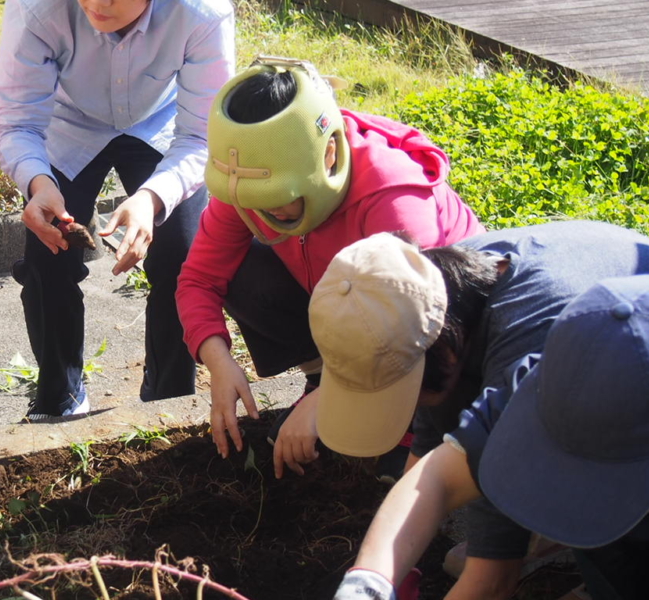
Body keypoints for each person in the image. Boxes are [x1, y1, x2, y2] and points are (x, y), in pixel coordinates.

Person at [307, 223, 649, 599]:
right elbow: (437, 476)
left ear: (448, 351)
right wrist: (372, 581)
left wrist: (494, 553)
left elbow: (491, 582)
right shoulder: (538, 369)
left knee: (612, 537)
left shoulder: (534, 338)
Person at [174, 56, 483, 478]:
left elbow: (417, 322)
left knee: (402, 441)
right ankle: (324, 379)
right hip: (357, 305)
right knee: (245, 271)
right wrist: (219, 363)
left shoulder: (394, 199)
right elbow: (198, 279)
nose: (260, 213)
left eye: (276, 199)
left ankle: (409, 424)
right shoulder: (249, 186)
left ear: (329, 154)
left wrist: (327, 406)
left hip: (444, 334)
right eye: (250, 201)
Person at [0, 0, 235, 419]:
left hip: (160, 123)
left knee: (183, 255)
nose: (97, 4)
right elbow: (18, 123)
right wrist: (39, 182)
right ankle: (60, 393)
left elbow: (201, 134)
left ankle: (169, 396)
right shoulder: (36, 8)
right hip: (67, 123)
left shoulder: (202, 12)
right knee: (48, 254)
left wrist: (152, 197)